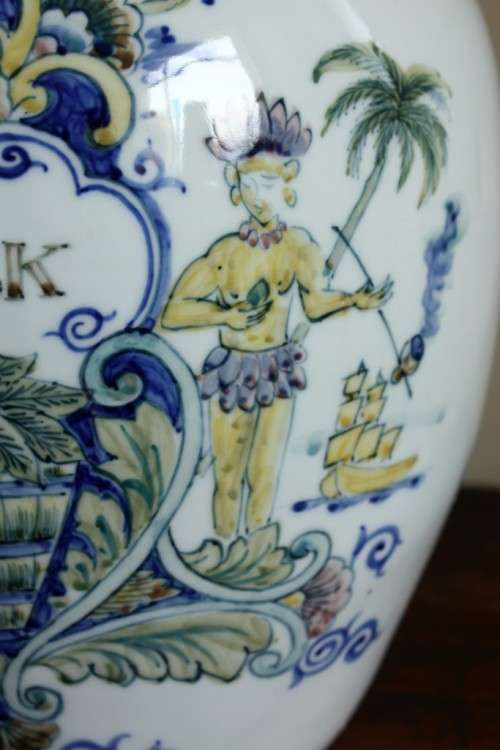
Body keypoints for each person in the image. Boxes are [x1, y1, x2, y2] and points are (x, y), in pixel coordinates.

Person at [160, 94, 392, 538]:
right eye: (248, 184)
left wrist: (352, 300)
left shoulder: (298, 248)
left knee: (264, 471)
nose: (258, 196)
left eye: (267, 184)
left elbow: (315, 305)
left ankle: (258, 548)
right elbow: (173, 312)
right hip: (232, 370)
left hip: (277, 368)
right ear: (234, 185)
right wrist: (224, 316)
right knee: (228, 473)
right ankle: (224, 547)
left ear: (287, 183)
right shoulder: (225, 253)